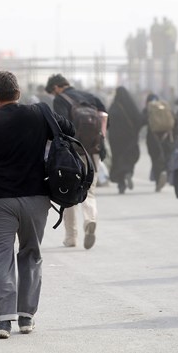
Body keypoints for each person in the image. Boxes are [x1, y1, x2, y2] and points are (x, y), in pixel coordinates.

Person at [0, 71, 75, 339]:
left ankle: (3, 323)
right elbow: (70, 129)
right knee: (31, 253)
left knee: (0, 257)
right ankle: (27, 318)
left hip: (1, 202)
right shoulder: (39, 113)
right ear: (18, 93)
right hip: (37, 200)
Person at [46, 74, 107, 249]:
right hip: (93, 151)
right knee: (90, 190)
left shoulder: (60, 100)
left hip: (72, 153)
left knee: (69, 191)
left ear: (57, 87)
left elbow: (60, 127)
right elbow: (104, 121)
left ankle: (71, 237)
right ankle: (90, 220)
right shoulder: (90, 97)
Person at [108, 86, 145, 194]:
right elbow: (139, 119)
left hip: (116, 140)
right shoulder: (131, 106)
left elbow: (108, 122)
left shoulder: (114, 106)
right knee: (129, 157)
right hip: (130, 138)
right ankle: (128, 171)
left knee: (118, 159)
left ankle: (121, 184)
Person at [143, 94, 173, 193]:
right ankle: (164, 171)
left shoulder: (148, 109)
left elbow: (141, 120)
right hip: (166, 137)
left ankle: (158, 180)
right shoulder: (165, 107)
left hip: (152, 138)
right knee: (165, 157)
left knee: (155, 159)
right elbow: (174, 121)